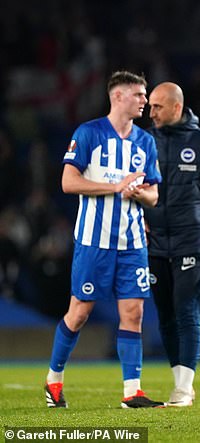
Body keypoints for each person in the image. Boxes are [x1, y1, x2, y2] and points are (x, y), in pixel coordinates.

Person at [45, 71, 164, 409]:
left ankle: (132, 391)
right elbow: (69, 182)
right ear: (117, 97)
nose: (145, 101)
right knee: (80, 312)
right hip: (93, 241)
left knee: (134, 313)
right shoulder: (89, 133)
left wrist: (138, 192)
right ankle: (54, 379)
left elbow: (155, 196)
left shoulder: (145, 142)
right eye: (139, 95)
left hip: (133, 243)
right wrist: (115, 186)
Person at [145, 82, 200, 407]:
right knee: (164, 313)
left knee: (185, 308)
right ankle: (179, 381)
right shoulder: (144, 141)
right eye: (150, 106)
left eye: (157, 107)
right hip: (152, 242)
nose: (150, 113)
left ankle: (184, 387)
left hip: (191, 240)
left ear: (176, 108)